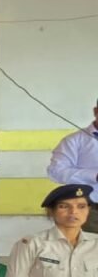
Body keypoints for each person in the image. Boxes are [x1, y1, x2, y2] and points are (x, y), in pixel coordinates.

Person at [47, 98, 98, 233]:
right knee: (89, 245)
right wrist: (94, 175)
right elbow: (56, 171)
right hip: (91, 209)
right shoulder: (74, 141)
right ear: (96, 111)